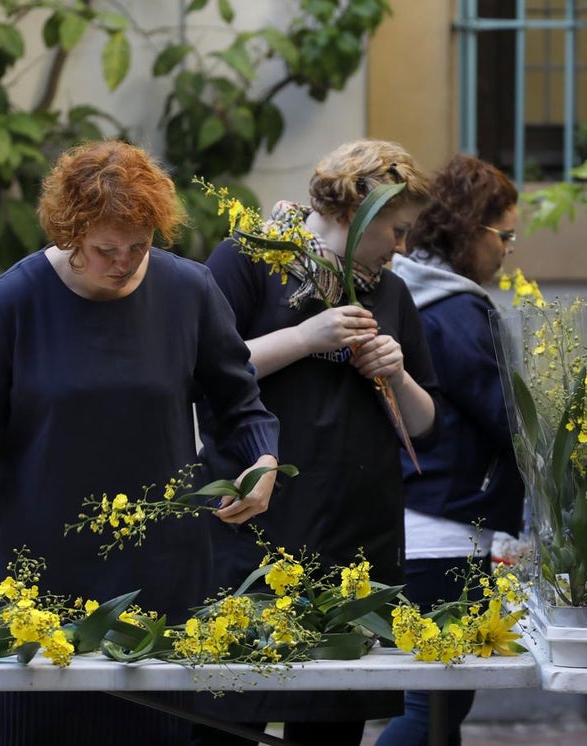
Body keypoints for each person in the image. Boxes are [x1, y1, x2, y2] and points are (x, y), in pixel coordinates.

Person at [0, 139, 280, 745]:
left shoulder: (189, 292)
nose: (124, 263)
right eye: (105, 250)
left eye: (139, 247)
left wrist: (262, 461)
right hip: (39, 579)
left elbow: (241, 407)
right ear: (70, 235)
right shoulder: (15, 300)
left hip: (161, 575)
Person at [191, 139, 441, 746]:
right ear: (355, 210)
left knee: (330, 725)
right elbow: (201, 372)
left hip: (353, 535)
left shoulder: (392, 292)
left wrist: (396, 373)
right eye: (396, 229)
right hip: (253, 528)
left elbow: (424, 422)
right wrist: (305, 337)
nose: (403, 247)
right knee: (227, 716)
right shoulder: (251, 259)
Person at [375, 153, 525, 746]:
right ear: (470, 228)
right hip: (444, 528)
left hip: (415, 516)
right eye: (504, 234)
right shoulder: (457, 311)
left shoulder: (407, 291)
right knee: (432, 706)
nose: (508, 249)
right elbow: (508, 416)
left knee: (438, 705)